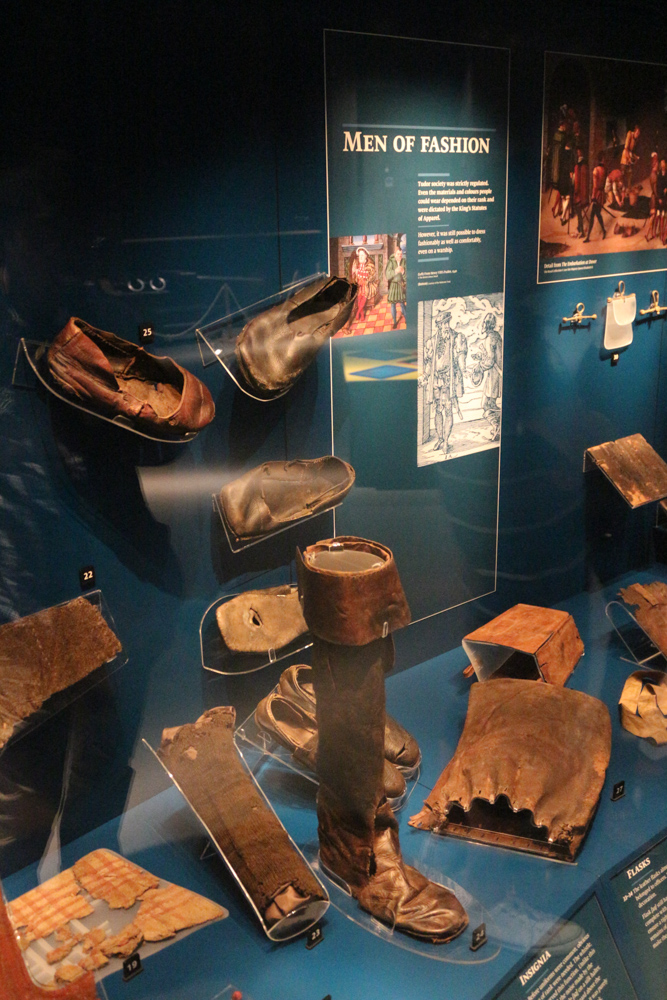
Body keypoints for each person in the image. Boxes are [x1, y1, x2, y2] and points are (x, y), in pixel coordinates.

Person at [427, 310, 462, 455]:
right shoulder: (432, 341)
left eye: (448, 322)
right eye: (444, 323)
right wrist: (425, 376)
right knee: (437, 410)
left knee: (448, 410)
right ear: (439, 325)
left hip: (449, 380)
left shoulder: (456, 337)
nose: (447, 325)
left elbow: (460, 358)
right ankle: (440, 438)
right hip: (436, 380)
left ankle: (446, 440)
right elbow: (429, 362)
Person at [473, 314, 502, 441]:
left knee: (487, 404)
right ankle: (497, 427)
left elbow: (490, 361)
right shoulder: (496, 336)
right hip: (497, 373)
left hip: (494, 374)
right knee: (490, 403)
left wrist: (479, 366)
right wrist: (480, 356)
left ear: (487, 324)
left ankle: (497, 427)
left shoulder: (489, 338)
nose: (483, 324)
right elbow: (495, 355)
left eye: (485, 322)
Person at [584, 153, 606, 243]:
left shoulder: (596, 170)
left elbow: (595, 186)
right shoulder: (604, 170)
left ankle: (589, 236)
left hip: (597, 195)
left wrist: (593, 197)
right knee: (596, 214)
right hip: (601, 195)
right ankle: (590, 236)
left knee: (595, 215)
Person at [385, 244, 406, 328]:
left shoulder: (404, 261)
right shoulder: (391, 261)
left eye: (401, 254)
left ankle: (406, 319)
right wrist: (395, 271)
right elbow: (387, 275)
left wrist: (403, 272)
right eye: (398, 254)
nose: (400, 256)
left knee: (402, 304)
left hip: (401, 285)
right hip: (393, 285)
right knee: (393, 305)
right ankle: (394, 322)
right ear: (394, 254)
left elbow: (407, 277)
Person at [621, 125, 640, 190]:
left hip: (630, 156)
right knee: (623, 173)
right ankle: (622, 188)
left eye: (638, 134)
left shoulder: (635, 140)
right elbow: (626, 148)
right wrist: (629, 158)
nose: (637, 135)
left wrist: (635, 157)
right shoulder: (629, 134)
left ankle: (629, 188)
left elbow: (632, 151)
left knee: (630, 173)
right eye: (637, 133)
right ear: (634, 132)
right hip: (625, 156)